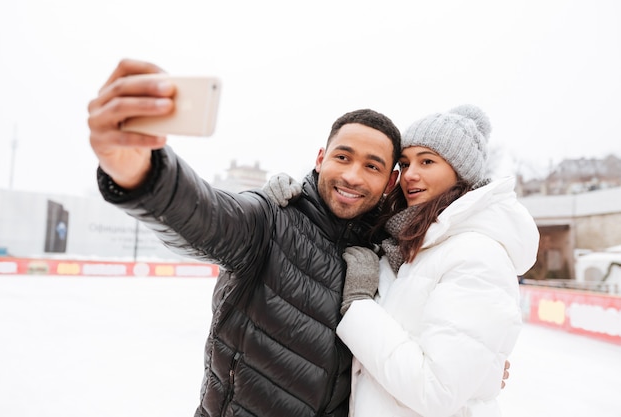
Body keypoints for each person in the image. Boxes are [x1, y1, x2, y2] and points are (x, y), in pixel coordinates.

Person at [86, 58, 402, 417]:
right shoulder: (270, 219)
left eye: (372, 166)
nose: (352, 176)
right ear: (320, 159)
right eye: (342, 157)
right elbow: (206, 215)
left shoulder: (385, 255)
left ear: (390, 182)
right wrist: (141, 172)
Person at [266, 105, 539, 416]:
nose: (411, 174)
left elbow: (436, 391)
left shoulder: (478, 256)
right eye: (406, 162)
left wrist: (358, 303)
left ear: (460, 172)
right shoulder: (405, 243)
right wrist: (295, 202)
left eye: (427, 161)